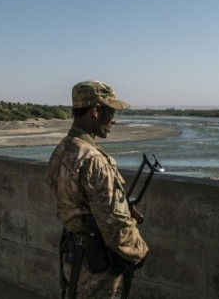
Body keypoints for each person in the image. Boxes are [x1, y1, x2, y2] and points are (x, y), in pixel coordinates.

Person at [46, 81, 148, 299]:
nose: (113, 119)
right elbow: (114, 225)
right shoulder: (93, 159)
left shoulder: (62, 150)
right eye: (110, 111)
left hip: (73, 258)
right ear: (95, 110)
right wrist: (139, 252)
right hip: (97, 269)